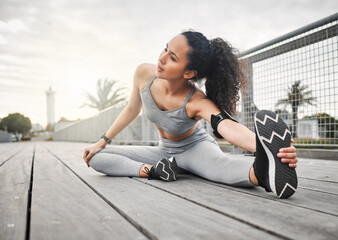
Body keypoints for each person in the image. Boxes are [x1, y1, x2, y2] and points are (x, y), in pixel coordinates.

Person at [83, 30, 298, 198]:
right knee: (96, 158)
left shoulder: (196, 100)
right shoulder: (143, 73)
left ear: (188, 73)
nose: (162, 58)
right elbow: (131, 109)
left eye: (173, 58)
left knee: (220, 167)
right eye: (165, 49)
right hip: (164, 154)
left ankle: (264, 171)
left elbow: (226, 126)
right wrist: (102, 141)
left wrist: (265, 147)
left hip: (195, 149)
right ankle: (154, 171)